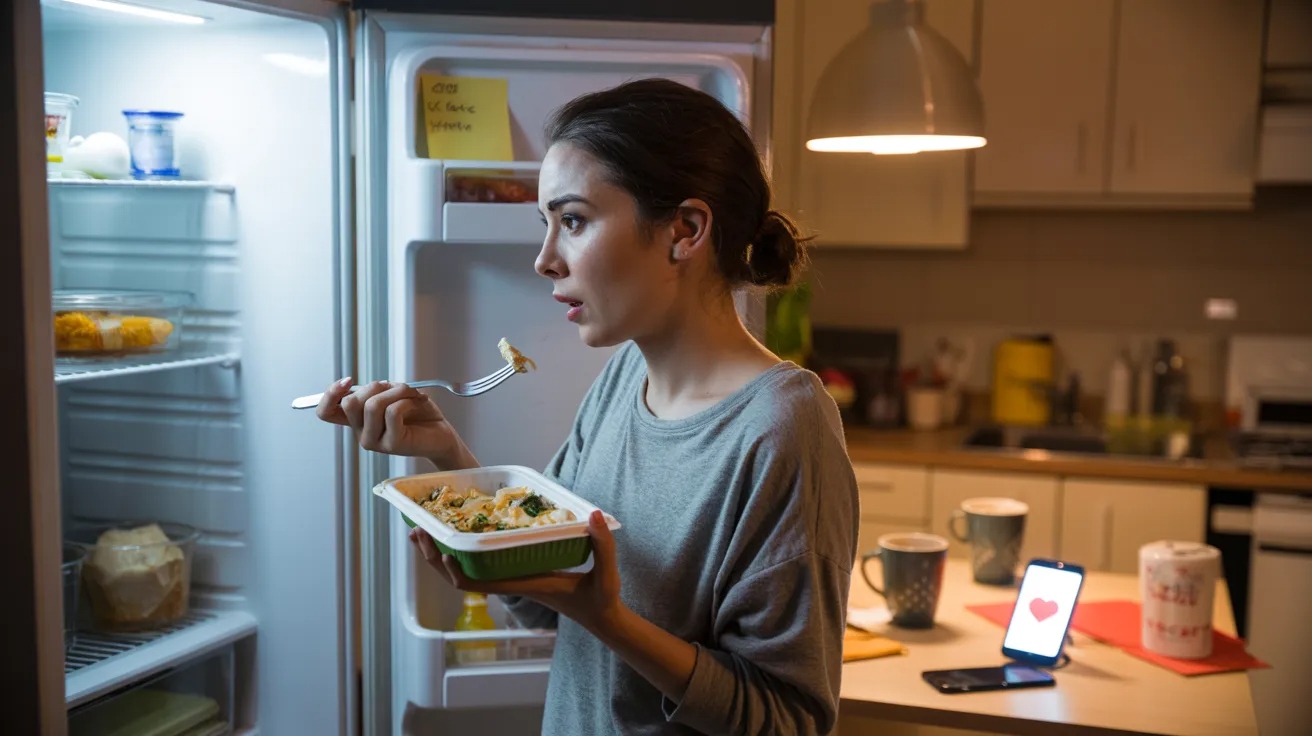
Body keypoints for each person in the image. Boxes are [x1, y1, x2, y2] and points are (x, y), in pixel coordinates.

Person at [315, 78, 859, 735]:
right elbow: (554, 594)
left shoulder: (782, 429)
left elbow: (790, 719)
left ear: (684, 230)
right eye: (546, 225)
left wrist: (611, 621)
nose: (545, 260)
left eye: (572, 220)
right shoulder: (625, 376)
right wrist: (447, 457)